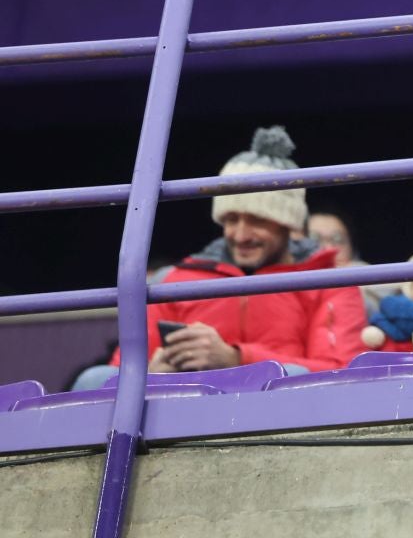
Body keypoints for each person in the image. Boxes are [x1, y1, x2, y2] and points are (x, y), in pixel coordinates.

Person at [74, 128, 366, 389]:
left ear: (288, 224)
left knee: (296, 376)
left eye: (257, 220)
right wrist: (152, 374)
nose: (241, 234)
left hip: (278, 412)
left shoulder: (329, 281)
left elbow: (341, 375)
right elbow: (122, 367)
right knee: (95, 380)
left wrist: (236, 358)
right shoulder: (174, 280)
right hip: (184, 408)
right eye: (231, 219)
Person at [306, 210, 398, 315]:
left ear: (352, 249)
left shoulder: (370, 278)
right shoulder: (290, 280)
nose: (328, 248)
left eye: (338, 240)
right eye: (314, 239)